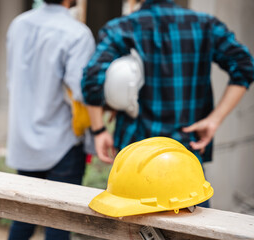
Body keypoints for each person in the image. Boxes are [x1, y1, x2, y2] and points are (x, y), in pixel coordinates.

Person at [82, 0, 254, 168]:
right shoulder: (206, 25)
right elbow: (245, 66)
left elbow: (92, 78)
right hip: (186, 148)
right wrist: (213, 120)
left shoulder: (122, 28)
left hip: (135, 150)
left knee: (131, 195)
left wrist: (99, 131)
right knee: (190, 196)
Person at [6, 0, 95, 239]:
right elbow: (81, 92)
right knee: (58, 222)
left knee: (23, 218)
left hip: (24, 139)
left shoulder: (18, 25)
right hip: (62, 141)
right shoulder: (77, 33)